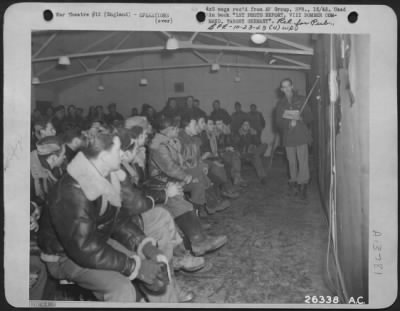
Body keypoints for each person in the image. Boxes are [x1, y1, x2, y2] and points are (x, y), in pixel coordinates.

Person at [37, 127, 180, 302]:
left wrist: (145, 246)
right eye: (118, 151)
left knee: (157, 267)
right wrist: (135, 266)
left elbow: (117, 220)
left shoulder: (106, 176)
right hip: (64, 257)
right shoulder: (71, 191)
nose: (122, 154)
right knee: (121, 288)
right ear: (104, 157)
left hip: (96, 243)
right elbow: (83, 248)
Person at [117, 124, 206, 276]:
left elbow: (141, 186)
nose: (147, 138)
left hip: (143, 197)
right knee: (166, 209)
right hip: (129, 216)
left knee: (171, 200)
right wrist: (164, 192)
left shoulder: (133, 159)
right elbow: (136, 195)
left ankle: (191, 244)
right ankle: (191, 244)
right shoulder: (124, 166)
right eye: (144, 135)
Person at [148, 116, 228, 256]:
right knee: (184, 200)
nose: (177, 131)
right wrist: (186, 176)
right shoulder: (158, 146)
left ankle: (199, 236)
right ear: (169, 130)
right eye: (175, 128)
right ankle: (198, 240)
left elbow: (179, 162)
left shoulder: (168, 142)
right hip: (160, 183)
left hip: (169, 180)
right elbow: (170, 167)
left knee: (191, 192)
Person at [178, 116, 231, 215]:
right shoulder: (182, 140)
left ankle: (209, 206)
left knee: (208, 177)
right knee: (203, 178)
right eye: (195, 125)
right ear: (187, 127)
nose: (197, 127)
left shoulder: (192, 138)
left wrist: (201, 165)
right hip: (184, 173)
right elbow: (185, 162)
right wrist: (200, 166)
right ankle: (209, 206)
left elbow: (195, 158)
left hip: (192, 169)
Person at [275, 78, 313, 200]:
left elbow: (310, 117)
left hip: (301, 135)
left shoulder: (301, 100)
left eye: (288, 86)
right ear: (281, 89)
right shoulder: (280, 104)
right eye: (284, 87)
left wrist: (301, 118)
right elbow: (278, 122)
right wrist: (287, 124)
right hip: (288, 137)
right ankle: (294, 183)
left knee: (302, 161)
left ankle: (303, 185)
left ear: (292, 86)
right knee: (291, 162)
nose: (286, 89)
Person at [196, 116, 240, 200]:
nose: (213, 126)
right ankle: (226, 190)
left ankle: (227, 188)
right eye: (210, 124)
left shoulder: (211, 135)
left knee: (227, 164)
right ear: (205, 126)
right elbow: (204, 152)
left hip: (213, 156)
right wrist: (214, 159)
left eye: (213, 124)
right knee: (220, 166)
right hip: (206, 159)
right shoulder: (203, 136)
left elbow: (215, 149)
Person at [30, 136, 66, 202]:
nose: (64, 157)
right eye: (63, 155)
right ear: (53, 158)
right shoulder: (30, 177)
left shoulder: (55, 169)